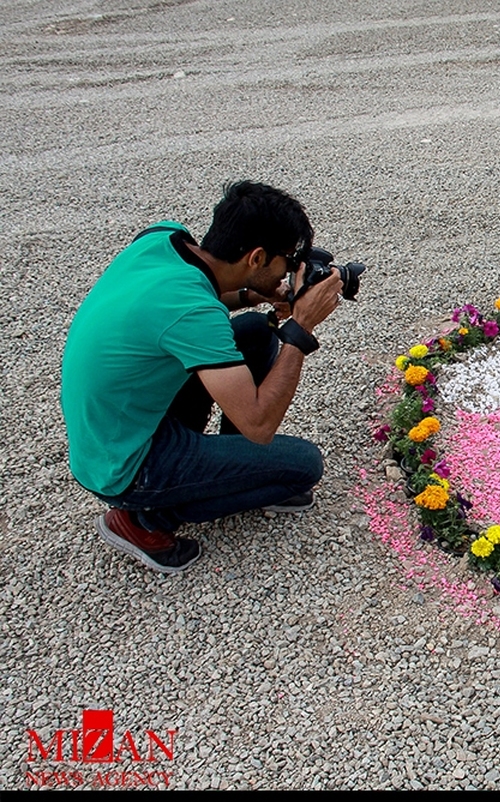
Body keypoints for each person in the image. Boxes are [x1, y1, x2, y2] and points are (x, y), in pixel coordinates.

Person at [61, 181, 344, 574]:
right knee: (304, 467)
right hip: (125, 464)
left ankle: (226, 465)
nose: (291, 270)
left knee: (256, 331)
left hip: (117, 423)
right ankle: (142, 521)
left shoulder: (164, 238)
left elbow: (202, 298)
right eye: (286, 260)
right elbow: (260, 425)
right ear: (257, 257)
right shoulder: (194, 315)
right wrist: (301, 326)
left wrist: (253, 296)